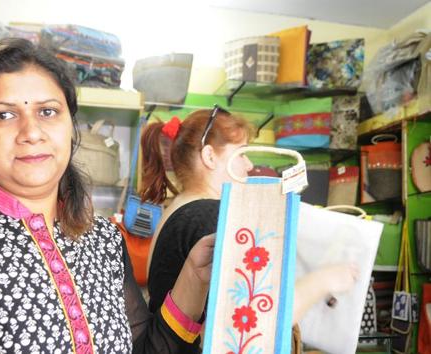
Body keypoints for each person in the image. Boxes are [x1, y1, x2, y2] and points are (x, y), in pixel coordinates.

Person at [0, 38, 216, 354]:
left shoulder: (102, 240)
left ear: (70, 126)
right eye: (4, 114)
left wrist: (194, 277)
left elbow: (143, 348)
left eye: (47, 112)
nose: (31, 132)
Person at [140, 108, 359, 353]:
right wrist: (324, 280)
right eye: (241, 153)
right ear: (210, 156)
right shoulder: (209, 215)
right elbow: (257, 323)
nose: (249, 164)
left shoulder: (179, 209)